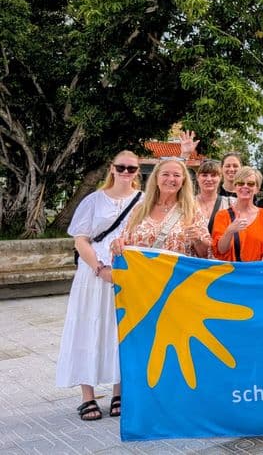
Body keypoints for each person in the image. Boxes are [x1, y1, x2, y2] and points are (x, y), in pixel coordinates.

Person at [56, 151, 143, 422]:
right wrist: (100, 268)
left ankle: (119, 391)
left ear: (137, 171)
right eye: (122, 167)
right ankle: (87, 396)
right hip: (94, 273)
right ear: (112, 169)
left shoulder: (142, 201)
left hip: (128, 272)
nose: (126, 172)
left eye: (132, 168)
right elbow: (80, 240)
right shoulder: (93, 200)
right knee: (88, 326)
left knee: (121, 329)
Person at [113, 159, 210, 257]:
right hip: (142, 271)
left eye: (176, 175)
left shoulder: (191, 210)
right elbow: (124, 242)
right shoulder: (140, 209)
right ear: (156, 178)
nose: (171, 179)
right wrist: (118, 244)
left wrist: (198, 240)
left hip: (176, 272)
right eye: (165, 174)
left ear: (183, 180)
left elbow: (207, 255)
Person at [212, 166, 263, 262]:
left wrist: (262, 268)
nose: (245, 186)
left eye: (251, 184)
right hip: (232, 273)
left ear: (257, 189)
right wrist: (229, 231)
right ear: (235, 187)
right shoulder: (222, 216)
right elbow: (220, 251)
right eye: (240, 183)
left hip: (258, 271)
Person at [194, 159, 232, 243]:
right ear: (197, 177)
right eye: (204, 175)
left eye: (213, 175)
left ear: (220, 177)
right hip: (192, 254)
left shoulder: (230, 203)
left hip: (220, 253)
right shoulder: (188, 203)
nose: (209, 179)